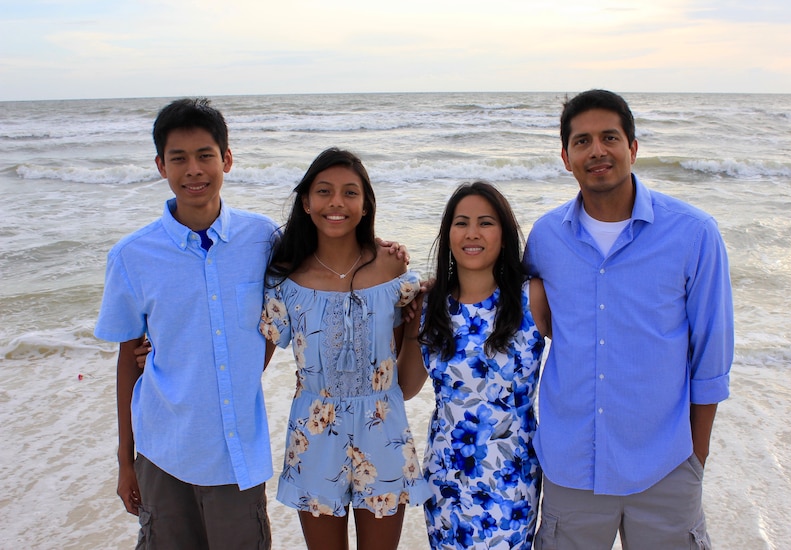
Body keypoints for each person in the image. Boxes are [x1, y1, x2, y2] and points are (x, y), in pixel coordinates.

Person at [524, 89, 734, 549]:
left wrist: (694, 461)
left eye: (609, 137)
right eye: (582, 141)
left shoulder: (694, 233)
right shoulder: (545, 238)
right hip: (571, 469)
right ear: (565, 157)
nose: (596, 150)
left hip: (664, 469)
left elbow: (711, 360)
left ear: (633, 149)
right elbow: (500, 305)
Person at [95, 98, 276, 548]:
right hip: (163, 451)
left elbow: (322, 270)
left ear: (227, 160)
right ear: (161, 166)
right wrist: (125, 461)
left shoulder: (265, 239)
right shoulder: (132, 257)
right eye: (179, 158)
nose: (193, 169)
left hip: (237, 453)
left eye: (205, 156)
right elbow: (126, 362)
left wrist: (384, 252)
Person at [258, 147, 430, 550]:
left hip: (383, 430)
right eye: (324, 191)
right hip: (313, 434)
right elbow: (252, 362)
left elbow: (407, 382)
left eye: (350, 192)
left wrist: (419, 322)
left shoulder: (393, 269)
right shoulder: (286, 280)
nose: (336, 202)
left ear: (367, 204)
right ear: (306, 202)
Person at [397, 181, 552, 549]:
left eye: (486, 222)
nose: (472, 233)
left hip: (514, 471)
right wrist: (406, 327)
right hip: (448, 471)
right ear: (448, 233)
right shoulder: (429, 303)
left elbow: (583, 361)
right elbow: (405, 387)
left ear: (504, 233)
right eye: (461, 222)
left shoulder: (533, 296)